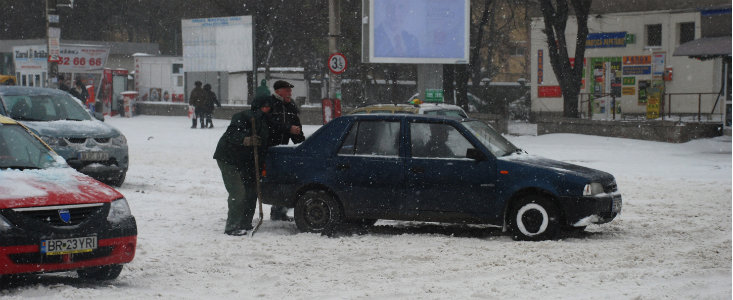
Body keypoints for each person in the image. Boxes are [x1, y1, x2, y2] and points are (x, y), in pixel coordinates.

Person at [213, 98, 272, 236]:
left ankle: (245, 222)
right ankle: (232, 226)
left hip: (247, 161)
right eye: (265, 107)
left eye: (269, 107)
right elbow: (231, 134)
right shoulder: (243, 117)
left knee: (251, 191)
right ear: (257, 107)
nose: (268, 109)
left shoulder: (265, 122)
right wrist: (245, 140)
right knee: (238, 192)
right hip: (229, 159)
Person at [251, 80, 305, 221]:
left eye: (290, 90)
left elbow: (296, 125)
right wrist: (288, 129)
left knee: (283, 180)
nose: (290, 93)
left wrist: (302, 143)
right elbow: (269, 123)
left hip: (283, 148)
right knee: (271, 180)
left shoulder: (291, 106)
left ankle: (279, 211)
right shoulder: (270, 104)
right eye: (287, 90)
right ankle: (265, 210)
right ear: (278, 91)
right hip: (268, 148)